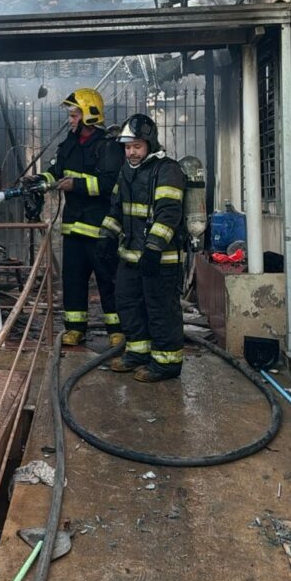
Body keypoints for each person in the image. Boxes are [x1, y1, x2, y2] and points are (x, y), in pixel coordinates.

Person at [25, 87, 125, 346]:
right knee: (73, 280)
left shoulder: (108, 147)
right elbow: (57, 172)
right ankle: (75, 328)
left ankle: (117, 330)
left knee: (108, 279)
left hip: (100, 228)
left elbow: (111, 185)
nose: (70, 120)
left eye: (73, 115)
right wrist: (40, 180)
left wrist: (76, 185)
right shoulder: (69, 144)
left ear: (89, 115)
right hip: (72, 227)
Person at [98, 113, 186, 382]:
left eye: (136, 146)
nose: (131, 152)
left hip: (160, 259)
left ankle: (166, 363)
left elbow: (169, 213)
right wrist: (106, 237)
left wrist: (154, 248)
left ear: (150, 143)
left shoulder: (167, 170)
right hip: (131, 255)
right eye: (127, 147)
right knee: (127, 304)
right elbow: (117, 209)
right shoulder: (126, 171)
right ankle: (138, 353)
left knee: (160, 310)